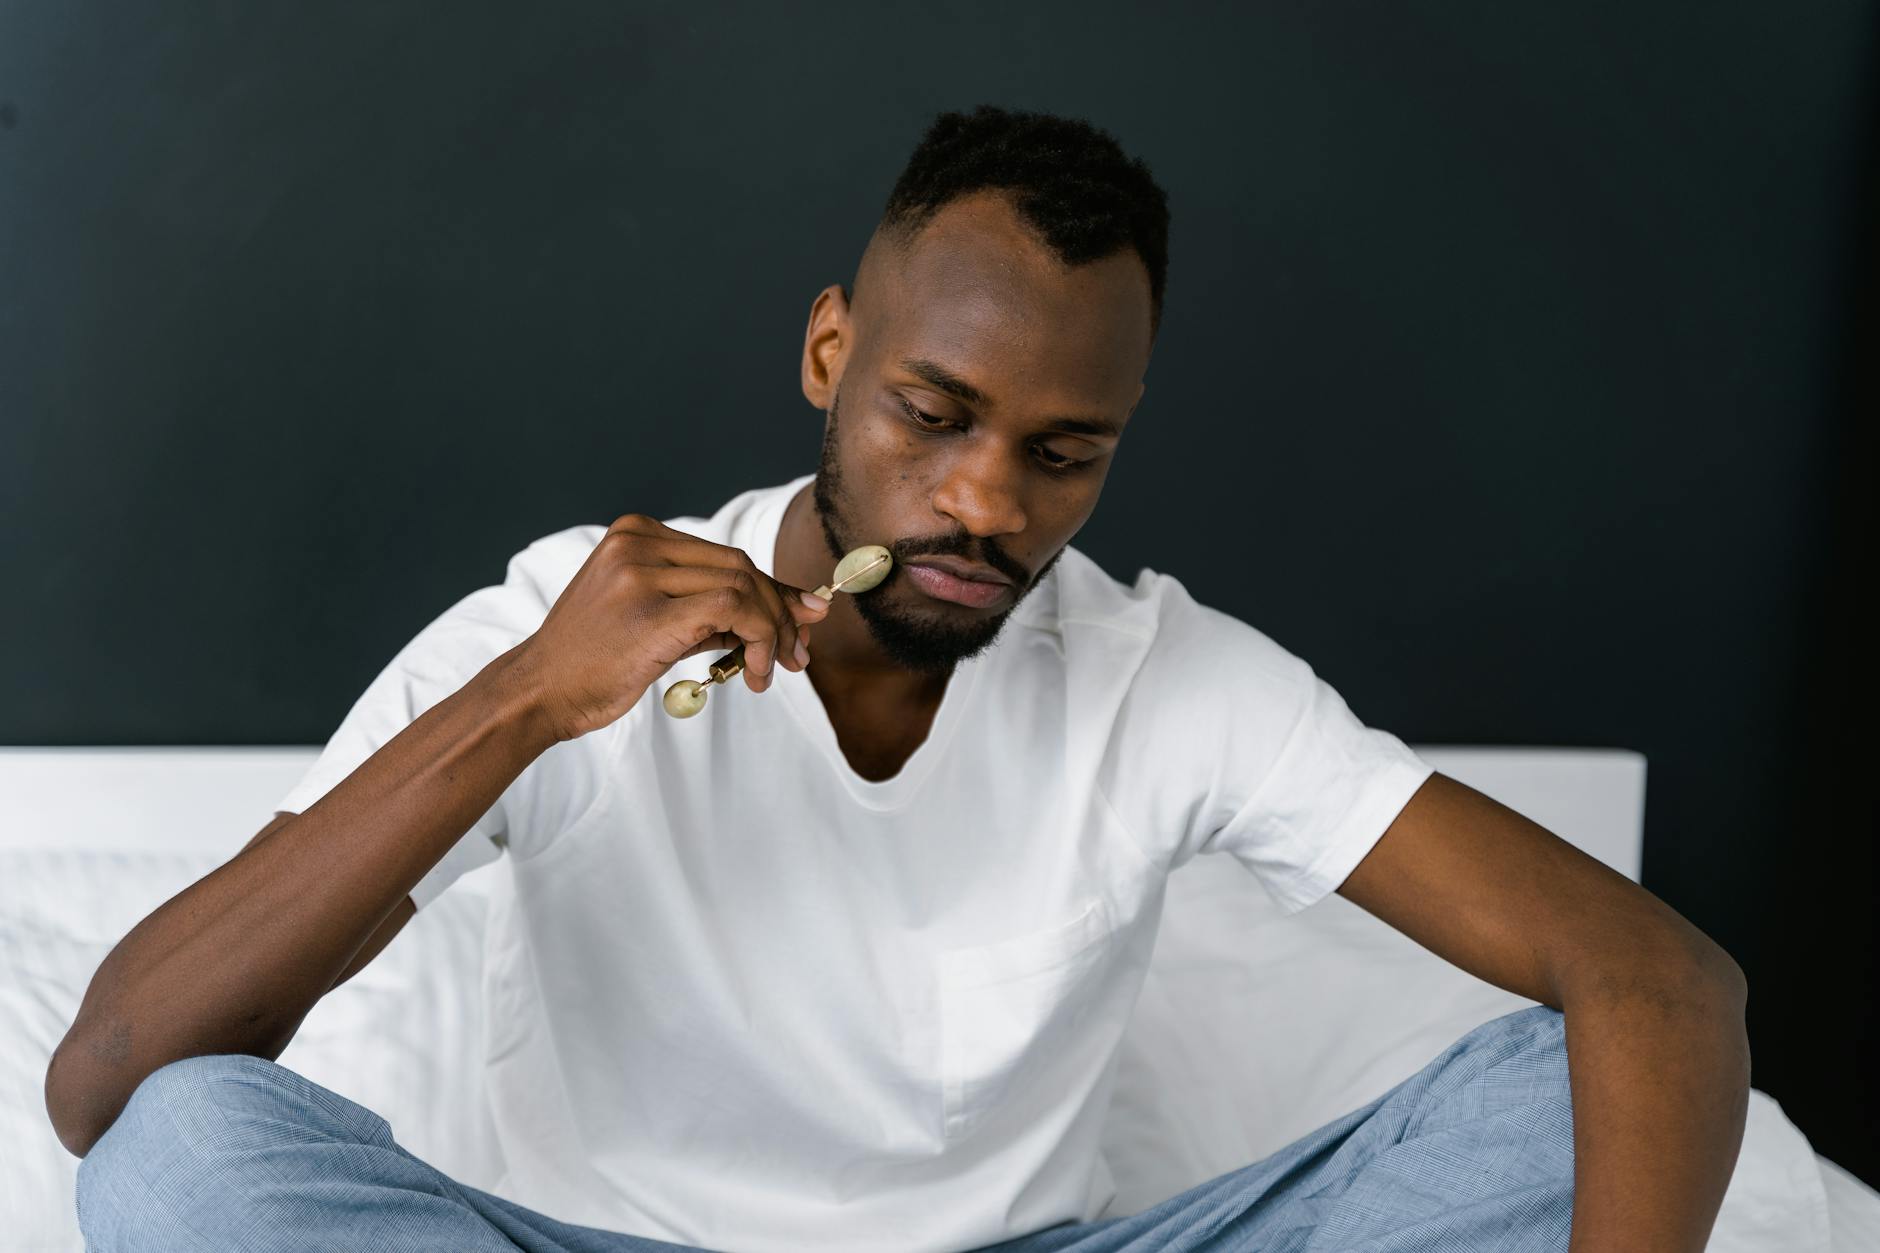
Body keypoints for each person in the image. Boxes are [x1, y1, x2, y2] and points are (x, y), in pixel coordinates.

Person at [50, 104, 1750, 1253]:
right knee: (188, 1149)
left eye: (1063, 452)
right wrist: (530, 703)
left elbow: (1661, 980)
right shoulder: (573, 627)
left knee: (1550, 1102)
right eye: (934, 415)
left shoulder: (1171, 679)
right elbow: (108, 1076)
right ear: (828, 352)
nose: (988, 502)